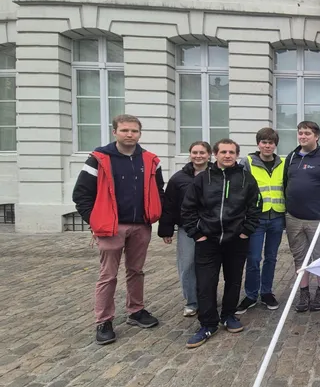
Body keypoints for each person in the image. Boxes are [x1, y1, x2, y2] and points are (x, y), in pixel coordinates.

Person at [72, 114, 165, 346]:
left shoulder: (150, 159)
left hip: (141, 225)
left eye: (134, 131)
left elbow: (158, 189)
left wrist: (154, 214)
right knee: (108, 275)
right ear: (115, 132)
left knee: (136, 271)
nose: (129, 134)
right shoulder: (99, 158)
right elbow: (81, 194)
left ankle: (136, 310)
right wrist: (95, 222)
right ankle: (103, 321)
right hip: (111, 227)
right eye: (124, 130)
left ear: (139, 134)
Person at [181, 139, 261, 348]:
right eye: (223, 152)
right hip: (208, 241)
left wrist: (246, 231)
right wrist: (196, 233)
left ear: (237, 155)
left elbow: (255, 206)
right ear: (215, 154)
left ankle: (228, 315)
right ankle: (208, 323)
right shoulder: (202, 179)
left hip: (236, 240)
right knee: (206, 284)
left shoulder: (246, 178)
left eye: (232, 152)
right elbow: (188, 208)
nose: (228, 155)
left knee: (233, 281)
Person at [284, 121, 320, 312]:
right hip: (293, 217)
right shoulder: (292, 156)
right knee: (300, 257)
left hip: (319, 218)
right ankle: (304, 291)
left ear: (317, 136)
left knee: (319, 257)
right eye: (300, 133)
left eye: (307, 133)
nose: (302, 136)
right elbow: (286, 182)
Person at [158, 141, 213, 318]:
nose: (199, 156)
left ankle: (208, 298)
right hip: (187, 228)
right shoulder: (178, 178)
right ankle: (191, 301)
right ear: (190, 154)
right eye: (195, 152)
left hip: (212, 227)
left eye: (202, 152)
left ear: (209, 154)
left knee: (210, 266)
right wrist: (166, 229)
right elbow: (169, 205)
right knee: (187, 264)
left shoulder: (217, 174)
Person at [236, 128, 285, 314]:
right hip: (256, 219)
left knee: (271, 258)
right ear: (258, 144)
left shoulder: (283, 163)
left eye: (271, 143)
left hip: (277, 217)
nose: (267, 145)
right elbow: (240, 190)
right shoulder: (247, 162)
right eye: (264, 142)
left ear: (275, 145)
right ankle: (250, 295)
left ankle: (266, 292)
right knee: (254, 258)